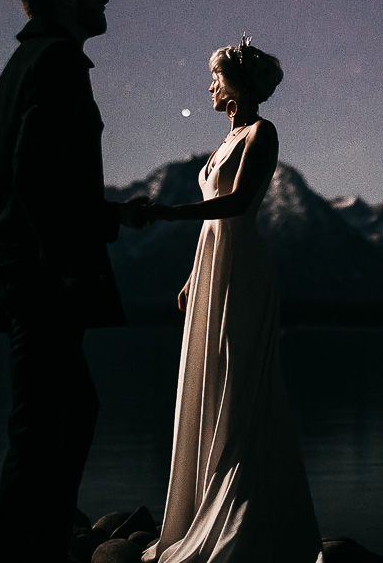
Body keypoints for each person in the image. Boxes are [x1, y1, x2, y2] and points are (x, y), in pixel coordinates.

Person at [0, 0, 153, 563]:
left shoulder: (28, 62)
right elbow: (35, 178)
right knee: (48, 427)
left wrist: (110, 215)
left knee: (60, 418)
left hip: (26, 273)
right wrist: (68, 266)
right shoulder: (57, 61)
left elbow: (44, 175)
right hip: (41, 278)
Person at [141, 37, 323, 563]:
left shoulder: (262, 133)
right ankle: (205, 509)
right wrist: (193, 274)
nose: (210, 87)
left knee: (240, 391)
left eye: (216, 78)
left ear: (238, 85)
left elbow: (238, 205)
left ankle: (247, 520)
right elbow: (215, 222)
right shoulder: (227, 139)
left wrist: (164, 212)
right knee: (212, 381)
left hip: (242, 272)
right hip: (214, 267)